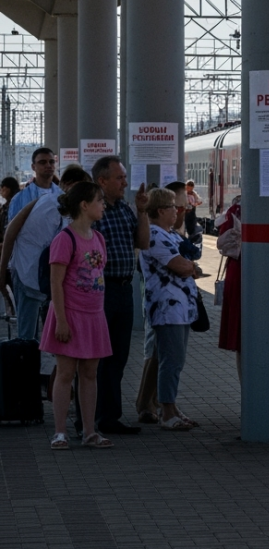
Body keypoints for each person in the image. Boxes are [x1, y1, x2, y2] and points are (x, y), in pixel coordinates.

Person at [42, 181, 113, 450]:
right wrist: (60, 319)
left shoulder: (98, 238)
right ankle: (60, 432)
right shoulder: (65, 239)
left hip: (94, 315)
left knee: (90, 374)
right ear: (85, 205)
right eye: (99, 200)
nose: (103, 205)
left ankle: (89, 431)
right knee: (65, 373)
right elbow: (55, 283)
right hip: (69, 314)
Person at [88, 156, 150, 436]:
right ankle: (90, 418)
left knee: (117, 357)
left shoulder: (125, 208)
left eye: (124, 177)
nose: (125, 182)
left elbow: (143, 242)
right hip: (102, 290)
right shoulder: (91, 211)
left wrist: (142, 211)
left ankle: (110, 417)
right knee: (94, 359)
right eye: (119, 178)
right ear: (102, 181)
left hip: (125, 289)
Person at [0, 166, 93, 341]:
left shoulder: (72, 211)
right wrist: (3, 270)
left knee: (49, 337)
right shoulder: (48, 201)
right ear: (66, 185)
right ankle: (26, 366)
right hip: (29, 276)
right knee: (27, 338)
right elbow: (11, 231)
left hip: (46, 281)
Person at [140, 188, 200, 431]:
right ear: (161, 210)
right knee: (171, 360)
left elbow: (190, 263)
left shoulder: (170, 233)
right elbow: (181, 266)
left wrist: (191, 266)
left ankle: (171, 406)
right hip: (167, 307)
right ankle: (166, 411)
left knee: (174, 358)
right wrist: (190, 267)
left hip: (180, 307)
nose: (178, 211)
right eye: (174, 207)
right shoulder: (154, 234)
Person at [216, 195, 243, 374]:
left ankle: (246, 386)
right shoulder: (236, 210)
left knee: (241, 334)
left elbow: (223, 243)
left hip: (238, 270)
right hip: (245, 272)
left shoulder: (235, 210)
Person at [7, 148, 57, 225]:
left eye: (51, 162)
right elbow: (11, 230)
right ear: (33, 167)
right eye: (42, 162)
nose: (48, 165)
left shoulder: (61, 195)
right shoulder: (20, 198)